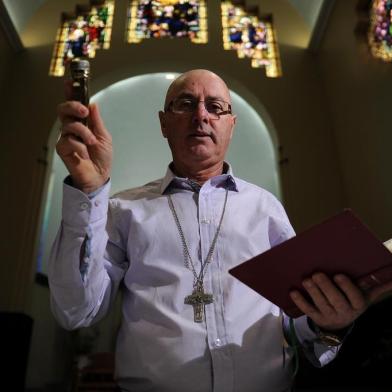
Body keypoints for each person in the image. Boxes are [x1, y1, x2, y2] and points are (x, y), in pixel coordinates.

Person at [49, 69, 392, 392]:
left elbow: (296, 319)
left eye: (215, 107)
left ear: (231, 124)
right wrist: (89, 194)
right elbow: (76, 310)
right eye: (185, 104)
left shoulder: (265, 207)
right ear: (163, 123)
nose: (201, 116)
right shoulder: (123, 210)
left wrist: (328, 324)